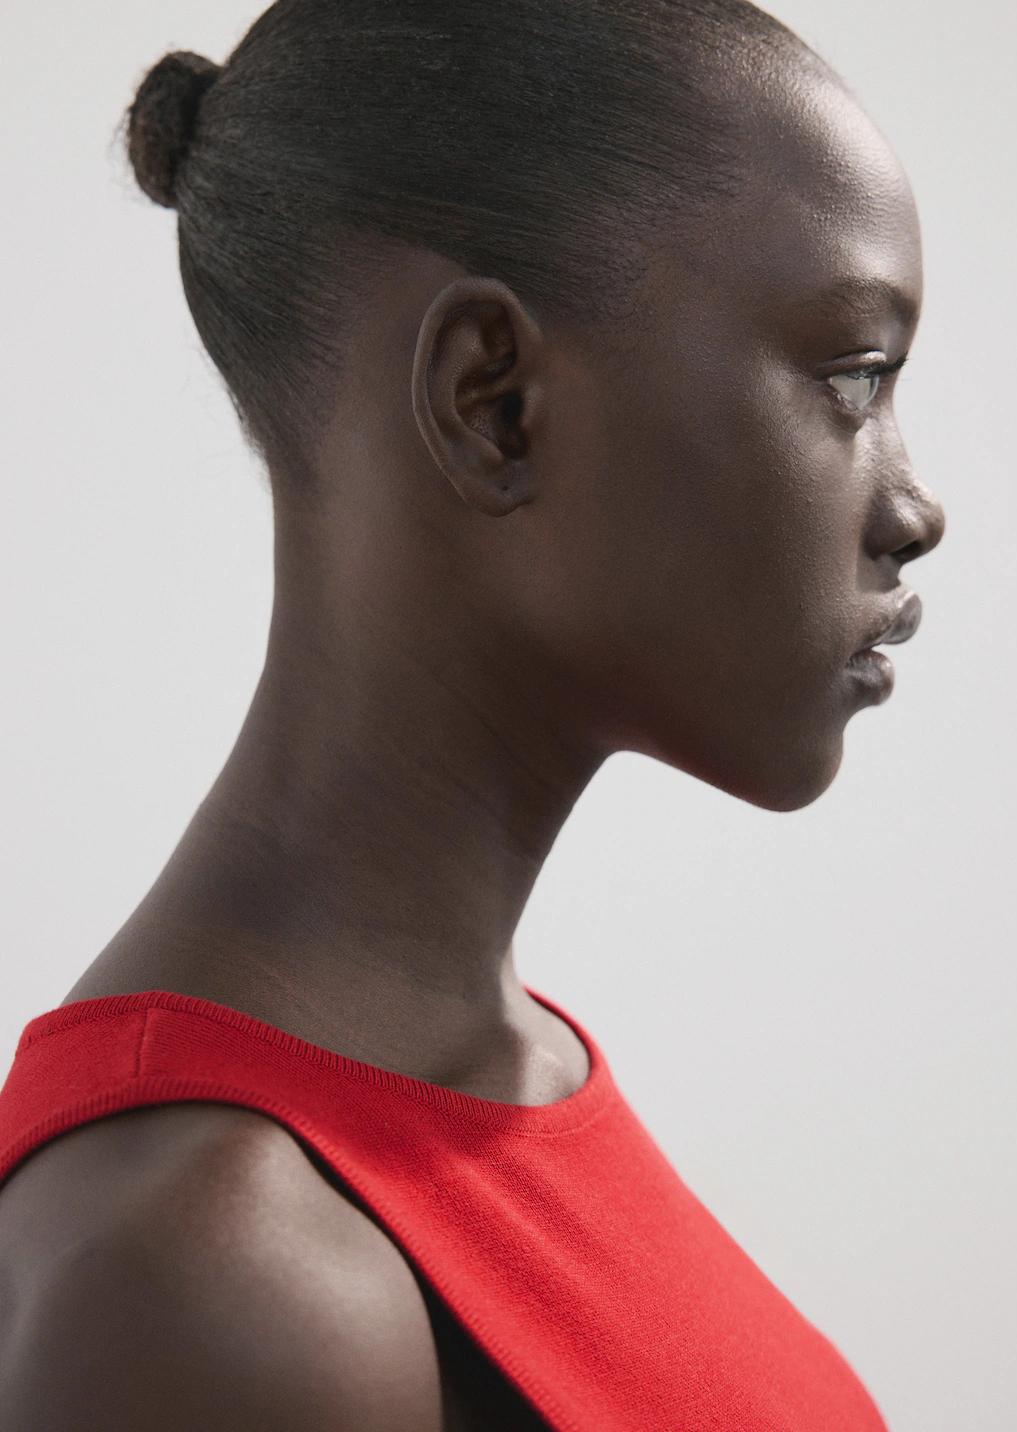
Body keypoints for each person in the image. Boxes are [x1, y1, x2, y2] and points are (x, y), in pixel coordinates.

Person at [0, 1, 945, 1428]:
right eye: (853, 376)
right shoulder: (216, 1274)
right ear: (492, 399)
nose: (915, 510)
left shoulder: (504, 1080)